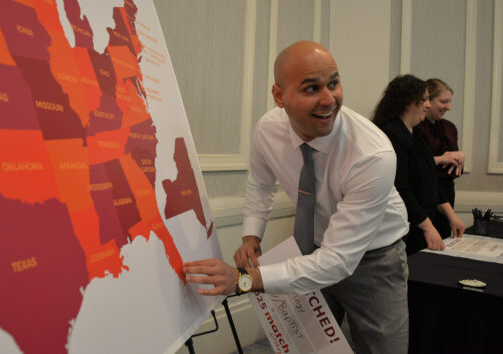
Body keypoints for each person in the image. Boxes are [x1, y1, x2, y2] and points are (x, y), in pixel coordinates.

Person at [184, 41, 411, 354]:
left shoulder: (373, 155)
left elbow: (337, 261)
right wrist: (252, 234)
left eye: (333, 83)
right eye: (311, 88)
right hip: (313, 250)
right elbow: (261, 184)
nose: (329, 99)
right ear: (279, 96)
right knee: (310, 346)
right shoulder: (267, 130)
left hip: (375, 261)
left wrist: (243, 280)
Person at [372, 74, 464, 256]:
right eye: (424, 100)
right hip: (404, 226)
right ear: (408, 103)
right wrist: (428, 227)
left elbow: (431, 179)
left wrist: (450, 215)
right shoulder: (392, 134)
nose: (428, 105)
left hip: (421, 221)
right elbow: (400, 187)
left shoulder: (417, 134)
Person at [417, 78, 465, 238]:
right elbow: (415, 165)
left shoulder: (450, 128)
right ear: (428, 100)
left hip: (447, 191)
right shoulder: (416, 126)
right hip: (423, 193)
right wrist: (441, 159)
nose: (448, 107)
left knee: (445, 238)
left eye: (449, 102)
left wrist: (458, 159)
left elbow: (455, 168)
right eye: (443, 101)